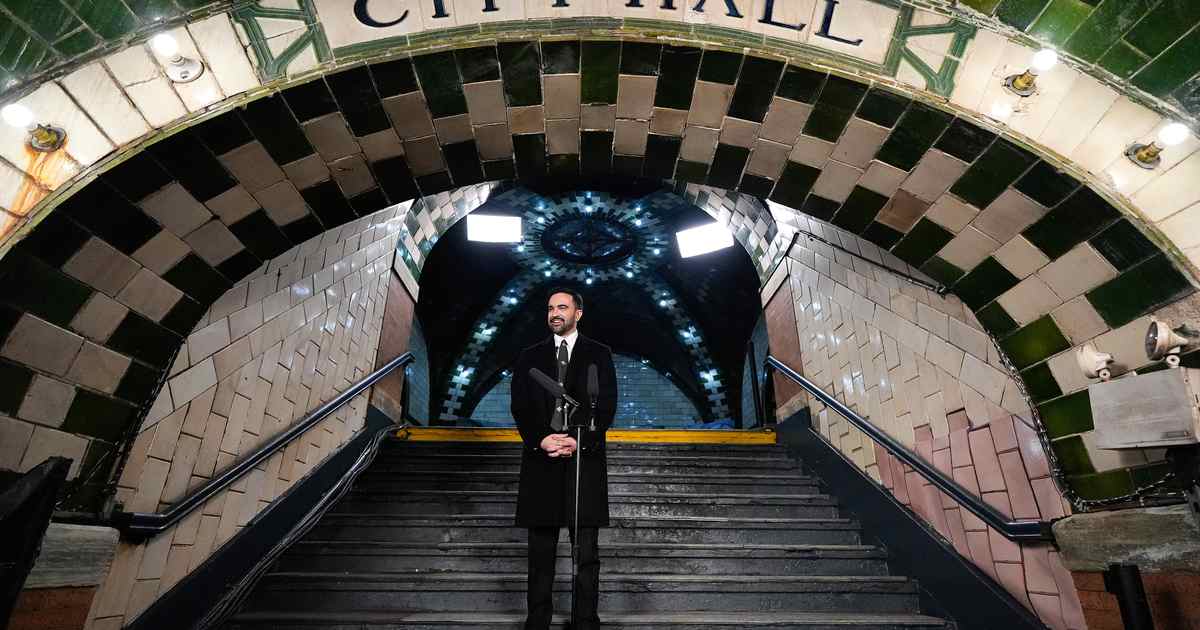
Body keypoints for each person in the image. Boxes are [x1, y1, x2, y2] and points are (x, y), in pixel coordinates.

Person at [511, 288, 617, 630]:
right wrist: (541, 439)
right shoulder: (529, 356)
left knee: (586, 554)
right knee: (540, 554)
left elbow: (607, 405)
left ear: (578, 313)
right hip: (541, 462)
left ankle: (585, 622)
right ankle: (537, 622)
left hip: (584, 464)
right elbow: (520, 406)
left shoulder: (599, 354)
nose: (554, 313)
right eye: (550, 308)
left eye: (562, 307)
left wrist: (578, 441)